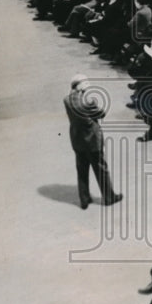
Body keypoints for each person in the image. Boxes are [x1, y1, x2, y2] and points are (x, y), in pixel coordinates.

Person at [62, 74, 123, 209]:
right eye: (85, 82)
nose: (88, 84)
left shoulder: (66, 100)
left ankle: (84, 199)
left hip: (77, 139)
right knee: (101, 168)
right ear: (78, 85)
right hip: (92, 140)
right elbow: (101, 114)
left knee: (82, 169)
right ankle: (109, 197)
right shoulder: (88, 101)